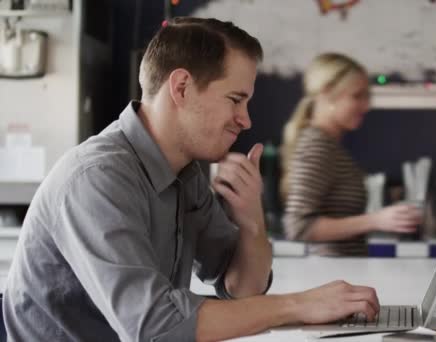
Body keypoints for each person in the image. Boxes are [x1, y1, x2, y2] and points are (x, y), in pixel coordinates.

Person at [2, 18, 380, 342]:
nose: (245, 120)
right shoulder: (97, 179)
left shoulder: (184, 172)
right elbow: (155, 326)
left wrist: (251, 220)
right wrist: (299, 304)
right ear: (180, 87)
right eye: (236, 99)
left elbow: (241, 288)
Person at [280, 53, 422, 256]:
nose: (366, 106)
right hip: (330, 274)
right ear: (326, 93)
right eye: (357, 96)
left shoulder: (328, 145)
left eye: (367, 96)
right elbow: (298, 226)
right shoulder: (318, 145)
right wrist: (376, 220)